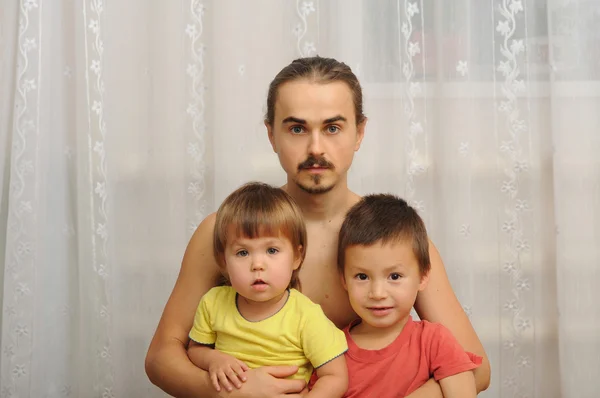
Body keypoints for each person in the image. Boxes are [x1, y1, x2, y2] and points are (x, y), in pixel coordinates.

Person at [145, 56, 491, 398]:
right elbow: (161, 357)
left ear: (360, 132)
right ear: (271, 134)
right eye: (297, 128)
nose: (315, 148)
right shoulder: (225, 230)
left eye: (332, 128)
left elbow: (476, 369)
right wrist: (231, 392)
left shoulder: (390, 238)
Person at [187, 182, 348, 397]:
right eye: (243, 253)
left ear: (297, 257)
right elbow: (196, 350)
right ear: (223, 261)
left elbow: (335, 376)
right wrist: (215, 359)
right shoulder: (213, 302)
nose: (257, 265)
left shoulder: (306, 315)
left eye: (272, 250)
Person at [333, 193, 481, 397]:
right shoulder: (332, 350)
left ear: (422, 276)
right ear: (343, 279)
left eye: (394, 276)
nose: (377, 293)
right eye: (362, 276)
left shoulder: (434, 341)